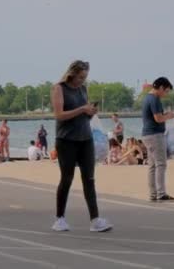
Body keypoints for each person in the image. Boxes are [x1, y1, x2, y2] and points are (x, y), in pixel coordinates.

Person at [51, 60, 112, 232]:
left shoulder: (83, 89)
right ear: (72, 73)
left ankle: (95, 219)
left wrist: (90, 113)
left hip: (86, 138)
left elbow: (84, 116)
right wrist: (81, 109)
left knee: (89, 179)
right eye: (80, 77)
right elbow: (59, 115)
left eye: (85, 77)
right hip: (66, 140)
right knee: (67, 178)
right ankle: (60, 218)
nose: (82, 80)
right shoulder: (59, 88)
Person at [141, 77, 174, 202]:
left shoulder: (147, 98)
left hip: (147, 134)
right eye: (166, 91)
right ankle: (161, 194)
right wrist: (170, 115)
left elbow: (155, 117)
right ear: (161, 88)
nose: (166, 94)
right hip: (155, 135)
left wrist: (165, 115)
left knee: (152, 165)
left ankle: (153, 194)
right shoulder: (155, 99)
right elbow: (158, 119)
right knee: (161, 164)